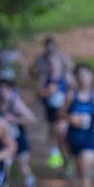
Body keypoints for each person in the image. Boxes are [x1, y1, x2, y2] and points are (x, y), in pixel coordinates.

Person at [0, 78, 38, 187]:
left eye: (6, 89)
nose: (3, 92)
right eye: (1, 89)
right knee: (4, 168)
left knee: (22, 165)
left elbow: (31, 119)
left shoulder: (15, 102)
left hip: (19, 139)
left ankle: (29, 181)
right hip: (4, 142)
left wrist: (14, 119)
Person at [33, 37, 73, 170]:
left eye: (55, 63)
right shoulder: (45, 77)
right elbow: (38, 93)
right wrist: (46, 91)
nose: (52, 66)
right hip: (50, 109)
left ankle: (69, 159)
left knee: (63, 133)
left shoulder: (66, 77)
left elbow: (74, 91)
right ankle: (59, 158)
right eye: (50, 64)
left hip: (64, 111)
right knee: (53, 132)